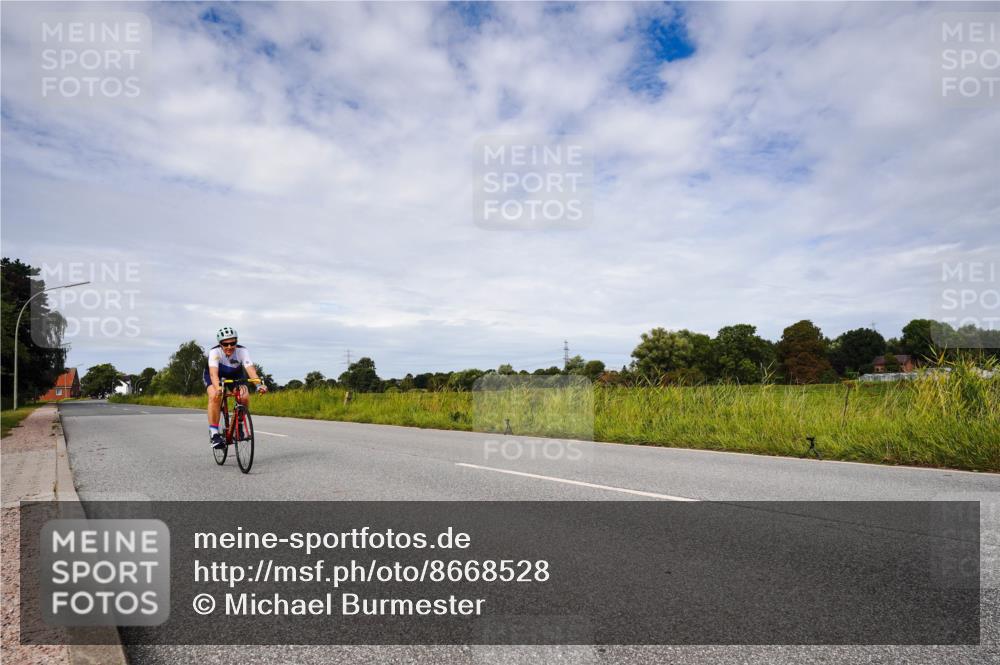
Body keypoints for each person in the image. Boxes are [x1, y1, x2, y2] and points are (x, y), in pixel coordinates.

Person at [205, 326, 266, 449]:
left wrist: (259, 385)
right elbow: (213, 374)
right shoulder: (215, 352)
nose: (229, 347)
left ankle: (239, 425)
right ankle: (214, 434)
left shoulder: (242, 351)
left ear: (236, 342)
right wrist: (218, 388)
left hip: (235, 375)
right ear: (220, 344)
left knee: (244, 396)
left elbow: (251, 370)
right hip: (216, 375)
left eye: (232, 343)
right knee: (215, 396)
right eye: (225, 344)